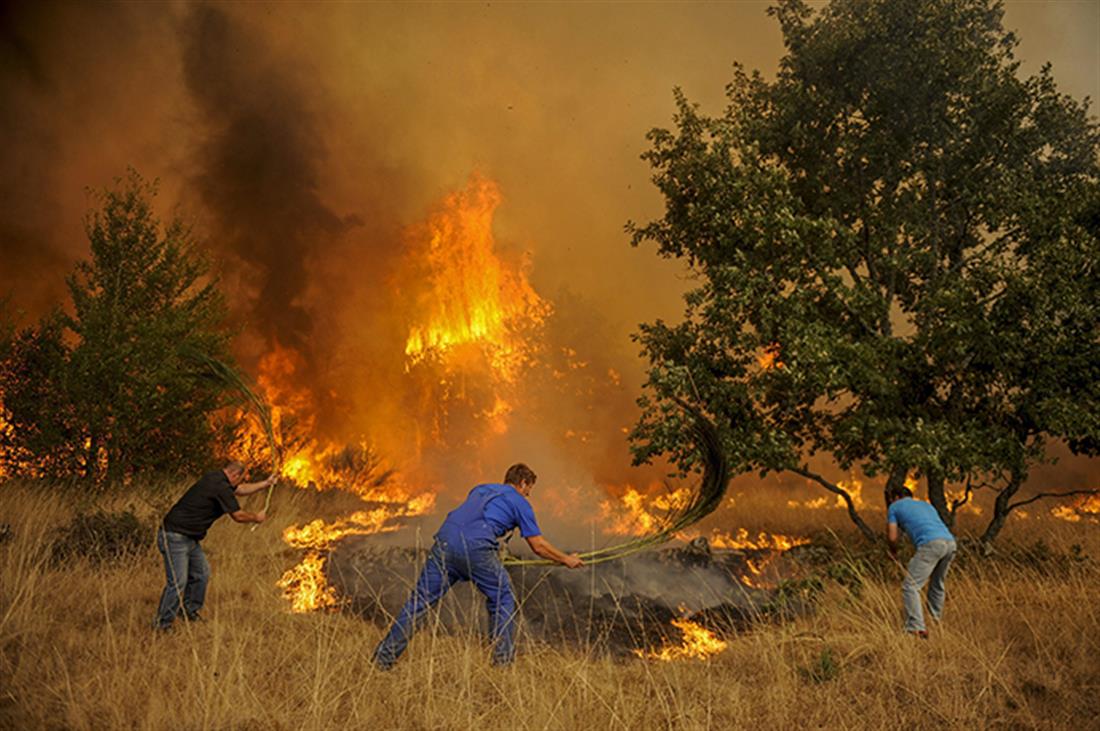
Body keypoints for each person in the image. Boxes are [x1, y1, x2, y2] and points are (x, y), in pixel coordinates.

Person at [372, 463, 583, 669]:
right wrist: (566, 560)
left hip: (444, 542)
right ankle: (502, 665)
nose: (528, 495)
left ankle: (382, 660)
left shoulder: (480, 489)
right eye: (529, 490)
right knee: (503, 597)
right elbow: (538, 546)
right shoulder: (520, 502)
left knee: (419, 603)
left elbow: (476, 518)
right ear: (523, 483)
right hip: (476, 548)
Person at [153, 461, 275, 631]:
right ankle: (162, 624)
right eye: (240, 479)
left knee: (201, 573)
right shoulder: (220, 486)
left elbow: (239, 490)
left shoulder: (216, 476)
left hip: (189, 538)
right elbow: (238, 516)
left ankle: (188, 611)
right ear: (234, 475)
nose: (239, 483)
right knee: (178, 582)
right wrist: (256, 518)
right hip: (174, 537)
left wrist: (265, 484)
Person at [886, 484, 957, 638]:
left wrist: (893, 551)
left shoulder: (894, 507)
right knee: (937, 584)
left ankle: (915, 628)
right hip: (950, 543)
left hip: (931, 544)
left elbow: (892, 537)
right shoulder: (926, 504)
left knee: (910, 586)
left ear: (895, 497)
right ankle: (934, 621)